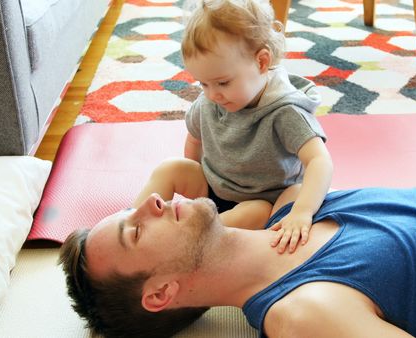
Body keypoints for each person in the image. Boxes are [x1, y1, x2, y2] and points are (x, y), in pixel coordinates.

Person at [59, 184, 416, 338]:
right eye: (134, 230)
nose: (150, 202)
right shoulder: (305, 313)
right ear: (161, 293)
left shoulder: (297, 205)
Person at [137, 0, 333, 253]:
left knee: (258, 210)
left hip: (264, 200)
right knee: (170, 168)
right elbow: (195, 139)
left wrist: (302, 212)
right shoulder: (210, 99)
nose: (212, 94)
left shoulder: (286, 111)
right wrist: (198, 197)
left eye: (222, 82)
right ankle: (135, 224)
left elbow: (320, 161)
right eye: (203, 84)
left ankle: (183, 241)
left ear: (262, 62)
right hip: (215, 187)